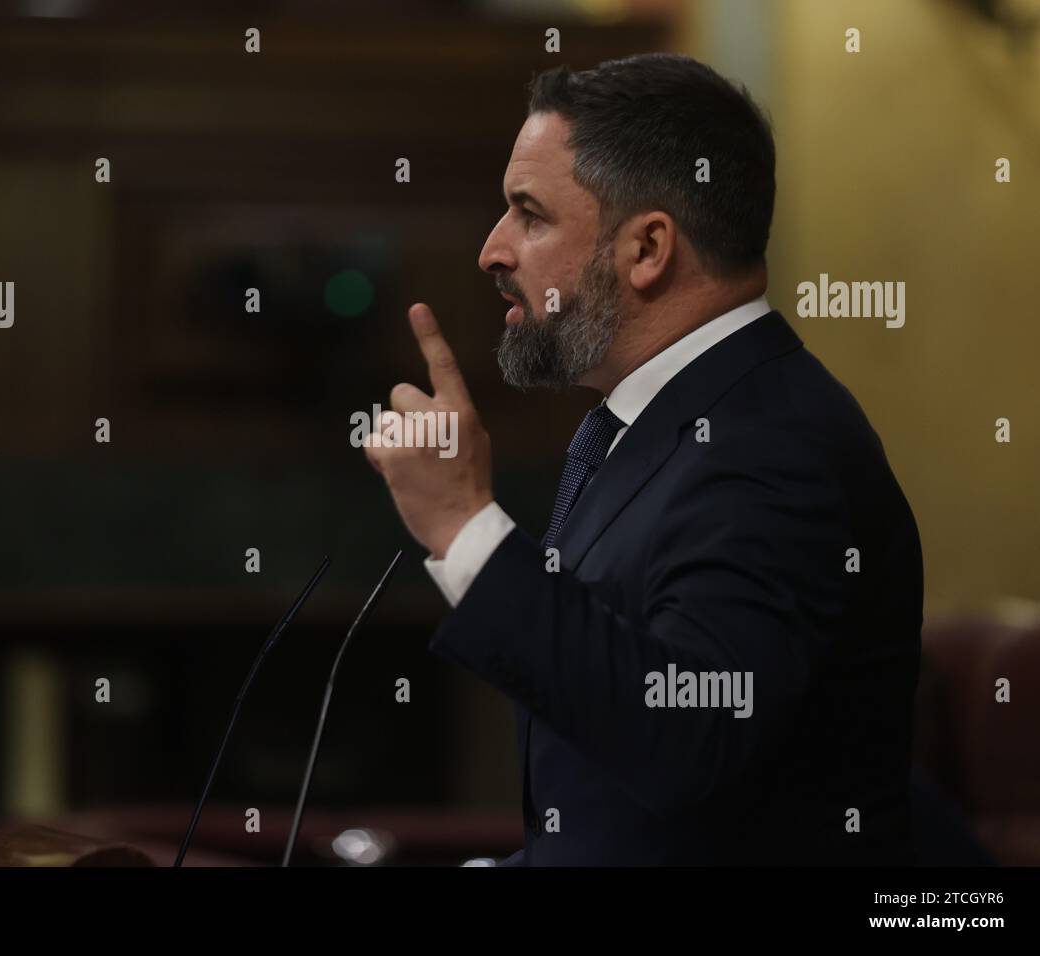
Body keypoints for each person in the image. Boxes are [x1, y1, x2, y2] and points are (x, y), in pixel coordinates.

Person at [363, 53, 922, 865]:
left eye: (529, 214)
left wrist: (461, 522)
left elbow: (687, 736)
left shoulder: (771, 445)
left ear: (648, 247)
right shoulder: (660, 427)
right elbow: (622, 818)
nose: (491, 250)